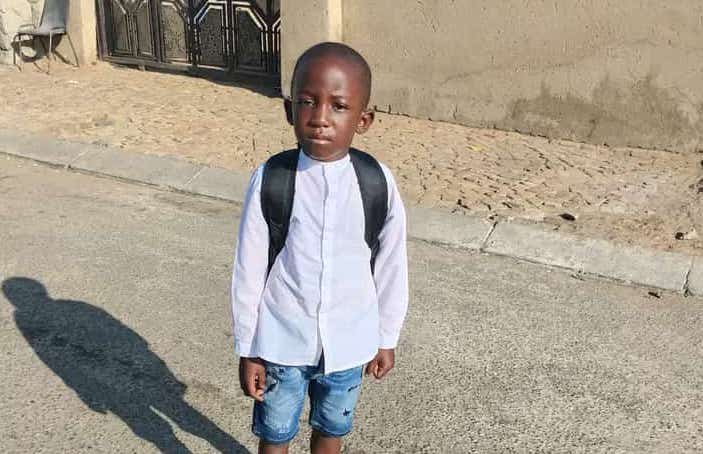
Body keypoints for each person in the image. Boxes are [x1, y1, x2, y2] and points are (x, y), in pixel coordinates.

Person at [231, 42, 409, 454]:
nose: (320, 118)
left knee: (332, 430)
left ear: (364, 120)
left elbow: (391, 265)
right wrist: (249, 348)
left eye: (339, 106)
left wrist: (386, 337)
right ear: (289, 110)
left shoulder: (376, 182)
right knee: (275, 433)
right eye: (308, 102)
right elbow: (248, 270)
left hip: (349, 342)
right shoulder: (272, 178)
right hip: (281, 342)